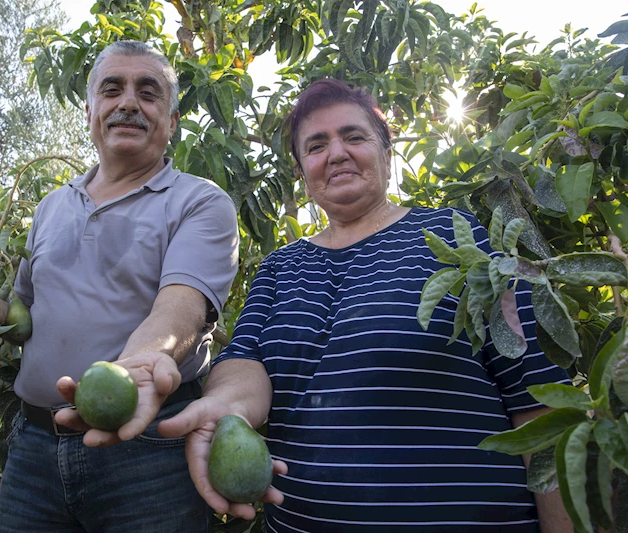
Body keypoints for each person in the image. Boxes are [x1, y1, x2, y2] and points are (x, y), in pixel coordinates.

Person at [158, 79, 573, 532]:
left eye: (354, 137)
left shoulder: (457, 235)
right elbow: (244, 360)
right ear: (303, 172)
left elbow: (538, 398)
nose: (336, 153)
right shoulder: (280, 268)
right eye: (316, 146)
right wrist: (227, 407)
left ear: (386, 154)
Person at [0, 40, 239, 532]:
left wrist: (142, 363)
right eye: (112, 89)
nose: (128, 102)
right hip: (34, 446)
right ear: (90, 111)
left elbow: (181, 309)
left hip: (148, 450)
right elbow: (31, 317)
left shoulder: (199, 202)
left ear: (172, 121)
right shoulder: (51, 206)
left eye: (148, 92)